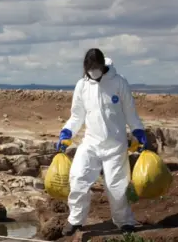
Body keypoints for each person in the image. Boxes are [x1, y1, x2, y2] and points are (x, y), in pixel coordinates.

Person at [57, 48, 147, 236]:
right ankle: (75, 220)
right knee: (78, 177)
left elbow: (131, 112)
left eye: (96, 67)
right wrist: (66, 133)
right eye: (90, 68)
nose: (93, 71)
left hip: (115, 144)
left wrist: (138, 131)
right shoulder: (82, 85)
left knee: (116, 186)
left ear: (102, 65)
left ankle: (124, 222)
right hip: (91, 143)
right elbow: (77, 116)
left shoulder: (119, 83)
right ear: (86, 68)